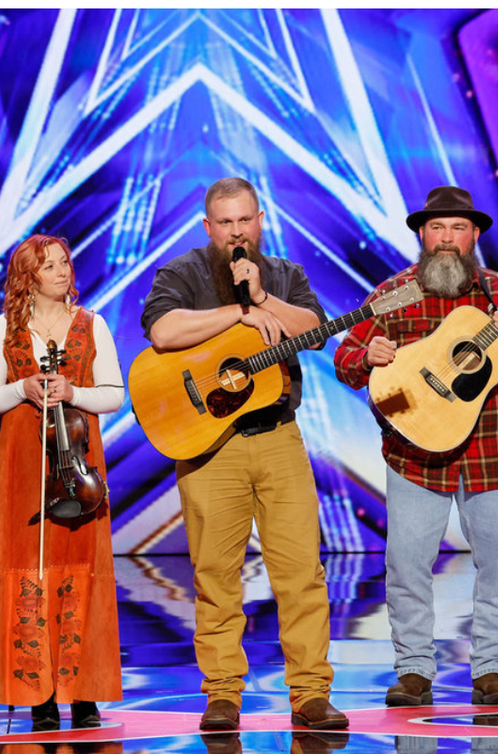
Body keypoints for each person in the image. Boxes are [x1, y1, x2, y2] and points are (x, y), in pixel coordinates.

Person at [140, 177, 347, 731]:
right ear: (209, 228)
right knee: (215, 574)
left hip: (279, 437)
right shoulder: (182, 273)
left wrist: (258, 299)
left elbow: (313, 330)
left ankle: (309, 693)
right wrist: (235, 316)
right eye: (225, 223)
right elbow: (162, 330)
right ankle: (223, 695)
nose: (236, 232)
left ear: (261, 221)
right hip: (210, 447)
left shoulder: (284, 274)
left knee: (302, 570)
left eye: (245, 220)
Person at [334, 186, 498, 707]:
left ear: (474, 236)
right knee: (406, 564)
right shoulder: (396, 293)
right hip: (416, 453)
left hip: (491, 451)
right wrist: (368, 355)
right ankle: (414, 670)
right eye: (438, 228)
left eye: (459, 228)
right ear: (423, 235)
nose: (448, 239)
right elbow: (346, 359)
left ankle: (491, 668)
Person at [0, 235, 124, 730]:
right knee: (29, 569)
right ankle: (39, 694)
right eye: (49, 265)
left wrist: (73, 389)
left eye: (64, 262)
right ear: (28, 277)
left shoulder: (91, 324)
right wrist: (23, 387)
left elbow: (113, 396)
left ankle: (83, 694)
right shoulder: (4, 329)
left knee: (78, 569)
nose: (62, 271)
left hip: (76, 467)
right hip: (23, 466)